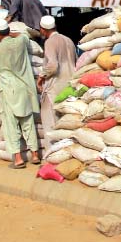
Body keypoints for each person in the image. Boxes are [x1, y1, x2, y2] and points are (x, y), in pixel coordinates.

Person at [0, 19, 41, 169]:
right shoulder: (21, 41)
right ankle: (35, 154)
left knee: (11, 124)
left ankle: (17, 159)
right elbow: (24, 33)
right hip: (24, 88)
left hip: (8, 89)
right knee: (28, 122)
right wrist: (10, 33)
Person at [37, 15, 77, 153]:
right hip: (70, 85)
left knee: (51, 124)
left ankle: (52, 156)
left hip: (55, 87)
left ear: (43, 29)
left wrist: (41, 76)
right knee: (65, 124)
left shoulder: (50, 42)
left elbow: (53, 66)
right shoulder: (69, 40)